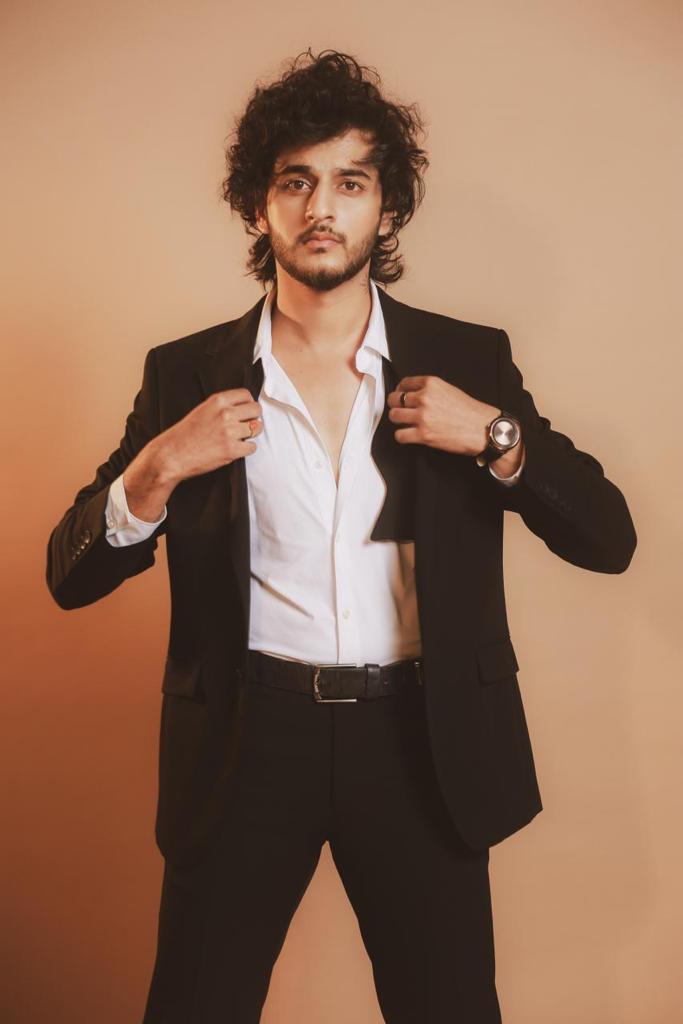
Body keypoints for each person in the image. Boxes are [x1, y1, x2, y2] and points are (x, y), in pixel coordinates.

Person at [46, 48, 637, 1024]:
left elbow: (607, 538)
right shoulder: (184, 376)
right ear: (258, 206)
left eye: (350, 182)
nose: (321, 206)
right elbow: (68, 577)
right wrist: (157, 468)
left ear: (385, 208)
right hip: (246, 739)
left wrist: (493, 436)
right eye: (295, 182)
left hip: (418, 740)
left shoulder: (465, 359)